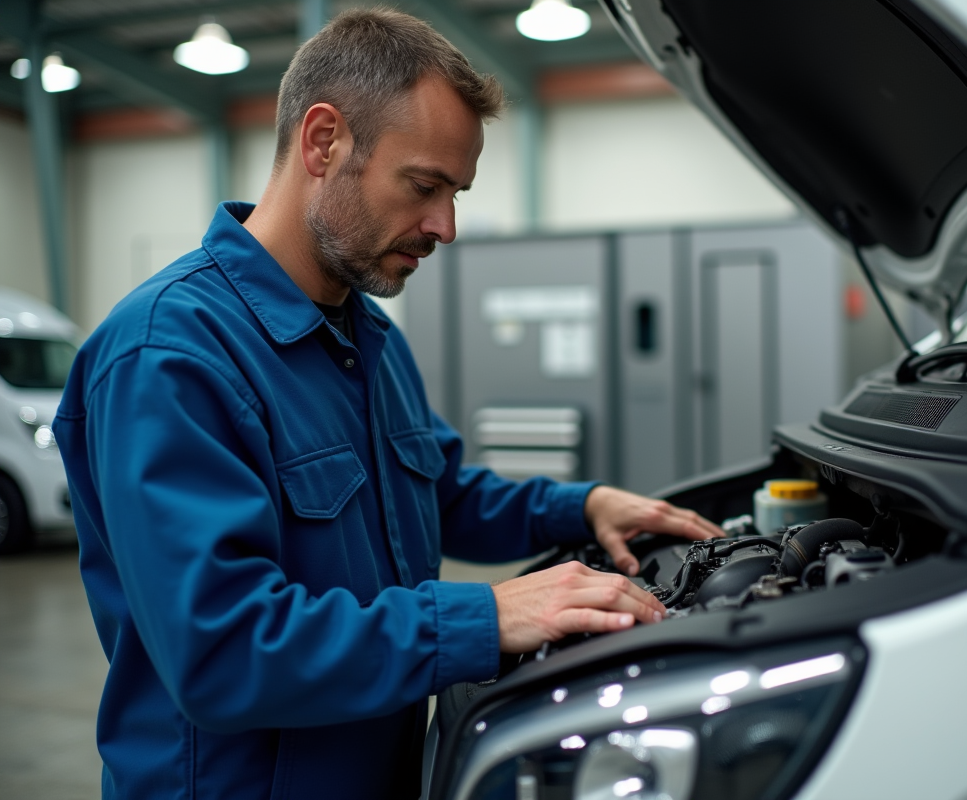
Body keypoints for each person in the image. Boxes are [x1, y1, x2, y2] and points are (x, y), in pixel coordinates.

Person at [53, 8, 723, 800]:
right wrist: (482, 618)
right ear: (323, 141)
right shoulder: (169, 355)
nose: (444, 226)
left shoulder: (367, 337)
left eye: (456, 192)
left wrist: (584, 508)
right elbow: (222, 651)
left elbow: (438, 494)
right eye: (424, 186)